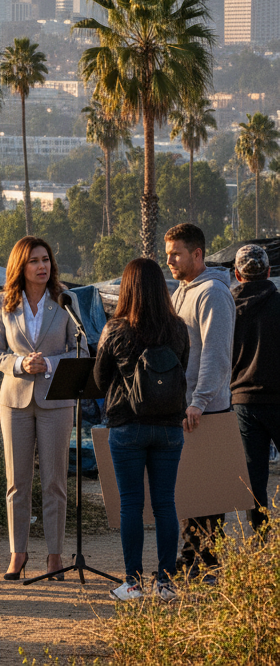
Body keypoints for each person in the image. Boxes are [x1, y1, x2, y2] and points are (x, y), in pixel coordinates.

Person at [0, 236, 87, 582]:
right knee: (17, 482)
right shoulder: (3, 303)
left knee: (55, 482)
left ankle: (55, 556)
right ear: (21, 267)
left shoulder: (66, 301)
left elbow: (82, 351)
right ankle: (18, 553)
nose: (42, 266)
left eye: (46, 259)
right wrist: (19, 364)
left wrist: (50, 364)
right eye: (34, 261)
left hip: (56, 401)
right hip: (14, 402)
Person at [94, 258, 190, 601]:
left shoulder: (116, 329)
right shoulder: (178, 328)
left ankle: (132, 583)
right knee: (166, 503)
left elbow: (100, 379)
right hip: (169, 428)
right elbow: (183, 371)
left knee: (131, 504)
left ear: (127, 287)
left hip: (127, 426)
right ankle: (165, 583)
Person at [165, 222, 236, 581]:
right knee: (190, 489)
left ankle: (208, 563)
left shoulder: (212, 293)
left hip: (206, 408)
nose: (170, 261)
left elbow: (216, 353)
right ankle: (190, 558)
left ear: (197, 253)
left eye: (176, 254)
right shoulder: (181, 292)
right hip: (185, 405)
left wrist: (200, 400)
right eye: (167, 255)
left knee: (208, 492)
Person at [229, 244, 280, 534]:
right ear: (269, 272)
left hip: (244, 401)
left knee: (254, 475)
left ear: (237, 274)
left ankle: (261, 537)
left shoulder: (228, 308)